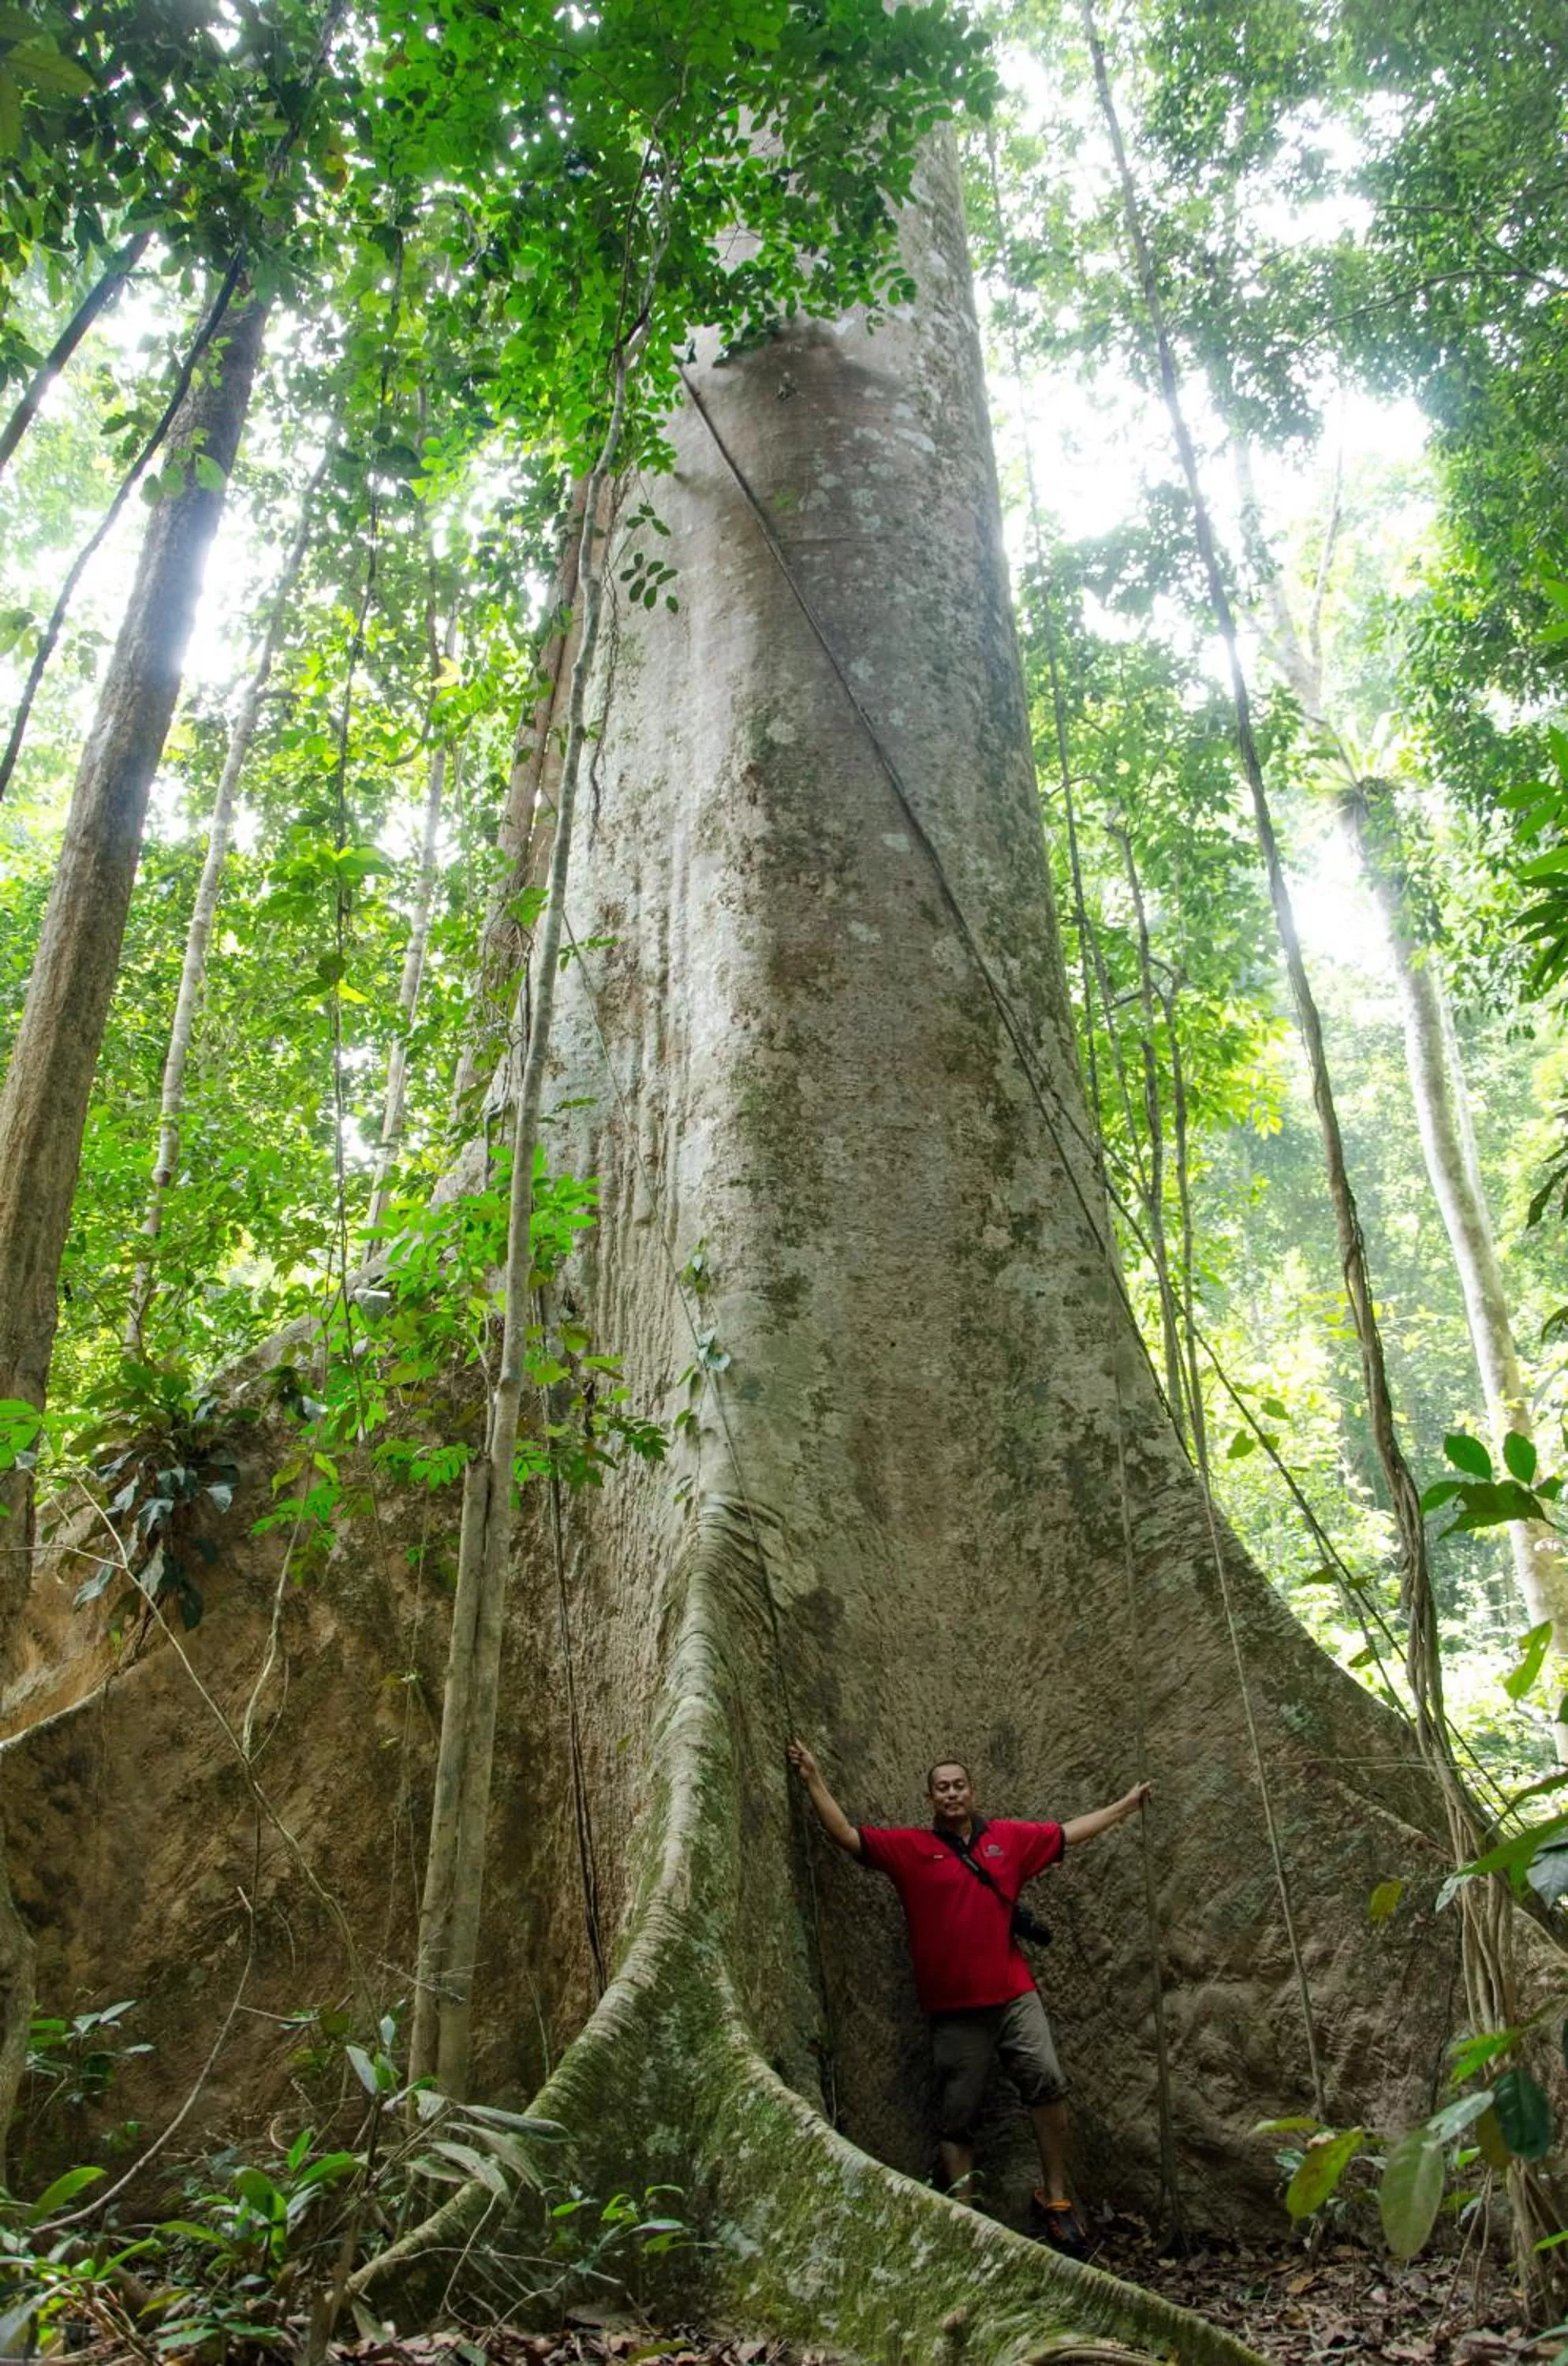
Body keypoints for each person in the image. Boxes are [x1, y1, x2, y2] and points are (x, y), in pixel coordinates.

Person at [786, 1739, 1151, 2257]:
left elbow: (1069, 1832)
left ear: (972, 1792)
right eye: (942, 1788)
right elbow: (847, 1836)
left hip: (1013, 1995)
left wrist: (1126, 1806)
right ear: (930, 1799)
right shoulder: (911, 1849)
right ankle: (967, 2220)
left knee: (1047, 2080)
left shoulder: (1008, 1840)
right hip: (955, 2011)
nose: (952, 1793)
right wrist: (814, 1778)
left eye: (959, 1785)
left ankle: (1056, 2197)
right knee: (958, 2114)